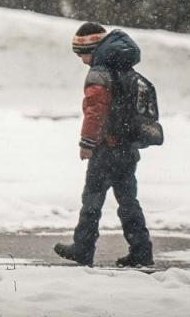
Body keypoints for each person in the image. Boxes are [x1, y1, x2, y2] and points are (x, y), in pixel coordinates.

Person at [54, 22, 154, 267]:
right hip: (127, 147)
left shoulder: (99, 72)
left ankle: (83, 248)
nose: (81, 60)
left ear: (92, 48)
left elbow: (95, 111)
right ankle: (141, 250)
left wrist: (86, 142)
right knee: (129, 202)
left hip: (106, 148)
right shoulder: (124, 67)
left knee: (92, 201)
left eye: (81, 53)